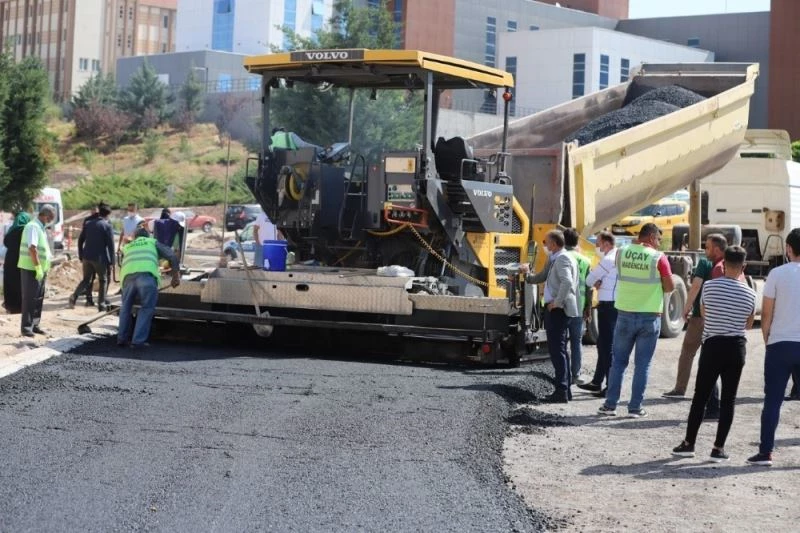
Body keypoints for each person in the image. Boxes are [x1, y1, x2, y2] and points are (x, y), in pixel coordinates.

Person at [671, 246, 755, 462]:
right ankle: (718, 448)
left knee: (700, 396)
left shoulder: (709, 286)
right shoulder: (750, 293)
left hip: (712, 345)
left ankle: (689, 443)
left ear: (723, 264)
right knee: (729, 399)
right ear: (744, 266)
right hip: (736, 347)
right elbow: (747, 325)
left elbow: (705, 313)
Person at [599, 223, 674, 417]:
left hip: (624, 314)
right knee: (642, 365)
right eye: (658, 239)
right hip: (649, 317)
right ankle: (635, 408)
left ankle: (610, 405)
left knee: (618, 362)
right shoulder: (658, 257)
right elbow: (669, 287)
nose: (659, 243)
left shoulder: (621, 252)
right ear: (651, 237)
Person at [747, 227, 800, 467]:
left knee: (773, 401)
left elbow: (766, 313)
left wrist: (768, 340)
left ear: (788, 248)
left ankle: (765, 452)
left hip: (780, 344)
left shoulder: (777, 274)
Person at [663, 234, 729, 421]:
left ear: (717, 249)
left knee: (688, 352)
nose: (705, 250)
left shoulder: (705, 264)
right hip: (720, 320)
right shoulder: (730, 264)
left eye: (707, 247)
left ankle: (680, 389)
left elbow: (695, 287)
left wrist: (686, 307)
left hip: (701, 317)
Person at [519, 229, 579, 403]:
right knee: (560, 350)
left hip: (558, 310)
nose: (544, 245)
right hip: (556, 309)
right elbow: (542, 276)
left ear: (554, 243)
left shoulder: (562, 259)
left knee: (557, 350)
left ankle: (561, 391)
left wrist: (557, 302)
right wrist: (527, 275)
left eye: (545, 242)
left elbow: (567, 282)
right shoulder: (554, 258)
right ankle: (565, 390)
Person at [117, 227, 180, 348]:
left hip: (127, 278)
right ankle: (138, 341)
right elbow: (171, 255)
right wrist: (175, 276)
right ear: (148, 236)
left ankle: (122, 339)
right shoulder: (152, 242)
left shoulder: (128, 246)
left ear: (135, 237)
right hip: (146, 277)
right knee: (146, 308)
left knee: (125, 307)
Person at [578, 231, 618, 397]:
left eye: (598, 244)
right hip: (614, 305)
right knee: (603, 344)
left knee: (607, 346)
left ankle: (609, 387)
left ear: (606, 244)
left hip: (608, 306)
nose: (596, 247)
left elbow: (589, 280)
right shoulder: (618, 257)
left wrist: (596, 281)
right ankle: (597, 382)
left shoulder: (608, 260)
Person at [68, 203, 115, 311]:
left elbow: (80, 240)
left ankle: (74, 297)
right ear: (108, 215)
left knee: (86, 280)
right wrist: (112, 262)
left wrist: (81, 254)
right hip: (100, 258)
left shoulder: (88, 224)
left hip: (86, 257)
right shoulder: (107, 226)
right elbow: (111, 246)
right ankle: (101, 304)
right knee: (103, 280)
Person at [18, 204, 56, 337]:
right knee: (29, 298)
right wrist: (38, 267)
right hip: (31, 269)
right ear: (45, 216)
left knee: (38, 298)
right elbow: (32, 248)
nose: (51, 221)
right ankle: (26, 327)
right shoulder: (33, 227)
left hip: (40, 269)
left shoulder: (40, 228)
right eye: (51, 218)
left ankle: (35, 324)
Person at [563, 228, 593, 384]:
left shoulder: (560, 257)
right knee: (576, 342)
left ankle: (562, 375)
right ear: (578, 241)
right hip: (578, 307)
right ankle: (575, 375)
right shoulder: (585, 261)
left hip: (561, 306)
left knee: (561, 343)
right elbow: (589, 288)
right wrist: (588, 307)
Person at [2, 211, 31, 314]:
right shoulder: (26, 230)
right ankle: (20, 307)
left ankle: (10, 306)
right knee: (20, 284)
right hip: (22, 261)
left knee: (10, 283)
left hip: (9, 260)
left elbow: (5, 243)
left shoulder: (11, 230)